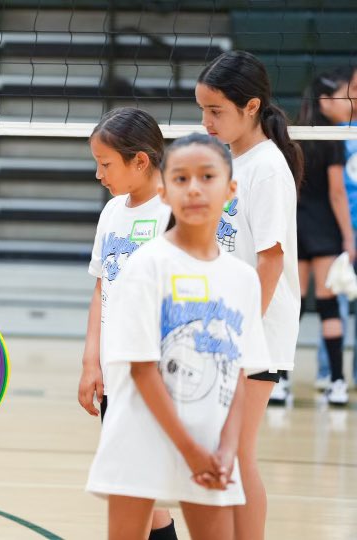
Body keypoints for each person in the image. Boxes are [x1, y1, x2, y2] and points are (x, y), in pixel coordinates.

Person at [87, 133, 270, 540]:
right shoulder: (145, 266)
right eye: (181, 179)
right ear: (165, 192)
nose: (194, 188)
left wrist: (225, 450)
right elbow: (142, 369)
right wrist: (190, 451)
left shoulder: (242, 279)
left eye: (207, 176)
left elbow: (240, 374)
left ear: (231, 189)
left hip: (210, 444)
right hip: (143, 436)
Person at [195, 50, 302, 540]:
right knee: (223, 451)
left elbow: (272, 259)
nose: (206, 121)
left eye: (216, 110)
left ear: (251, 106)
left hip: (254, 332)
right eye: (203, 110)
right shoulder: (234, 161)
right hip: (226, 327)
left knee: (236, 452)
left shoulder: (268, 168)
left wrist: (242, 334)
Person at [76, 107, 176, 539]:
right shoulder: (113, 212)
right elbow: (102, 288)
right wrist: (90, 362)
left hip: (153, 372)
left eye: (105, 164)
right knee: (144, 498)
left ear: (140, 160)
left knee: (133, 489)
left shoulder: (172, 213)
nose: (99, 175)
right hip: (115, 370)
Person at [295, 69, 355, 405]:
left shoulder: (292, 135)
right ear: (324, 101)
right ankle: (336, 383)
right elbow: (336, 193)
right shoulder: (332, 137)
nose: (350, 102)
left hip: (297, 227)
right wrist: (348, 237)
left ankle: (281, 382)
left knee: (296, 307)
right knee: (330, 305)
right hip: (324, 229)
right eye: (344, 95)